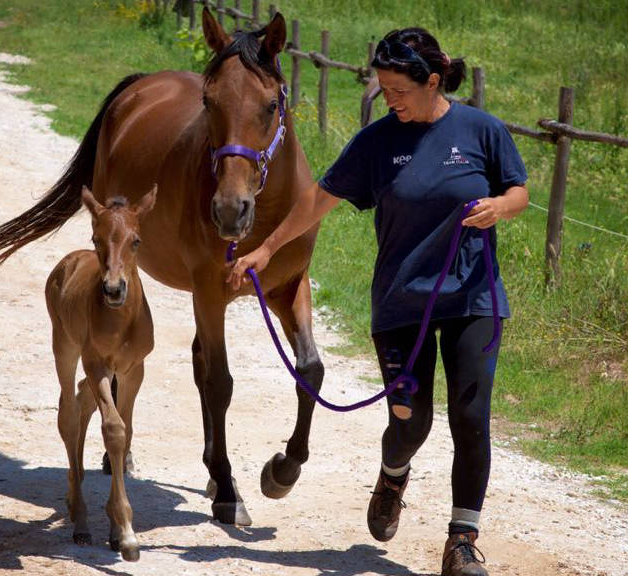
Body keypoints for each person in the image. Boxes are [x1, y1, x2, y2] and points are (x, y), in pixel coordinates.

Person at [226, 27, 528, 576]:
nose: (389, 100)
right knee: (411, 424)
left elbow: (518, 191)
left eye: (398, 90)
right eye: (383, 90)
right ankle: (394, 473)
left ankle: (461, 541)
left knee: (471, 414)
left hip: (473, 294)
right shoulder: (377, 142)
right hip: (402, 301)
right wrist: (266, 249)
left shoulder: (481, 130)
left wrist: (500, 208)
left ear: (432, 81)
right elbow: (317, 199)